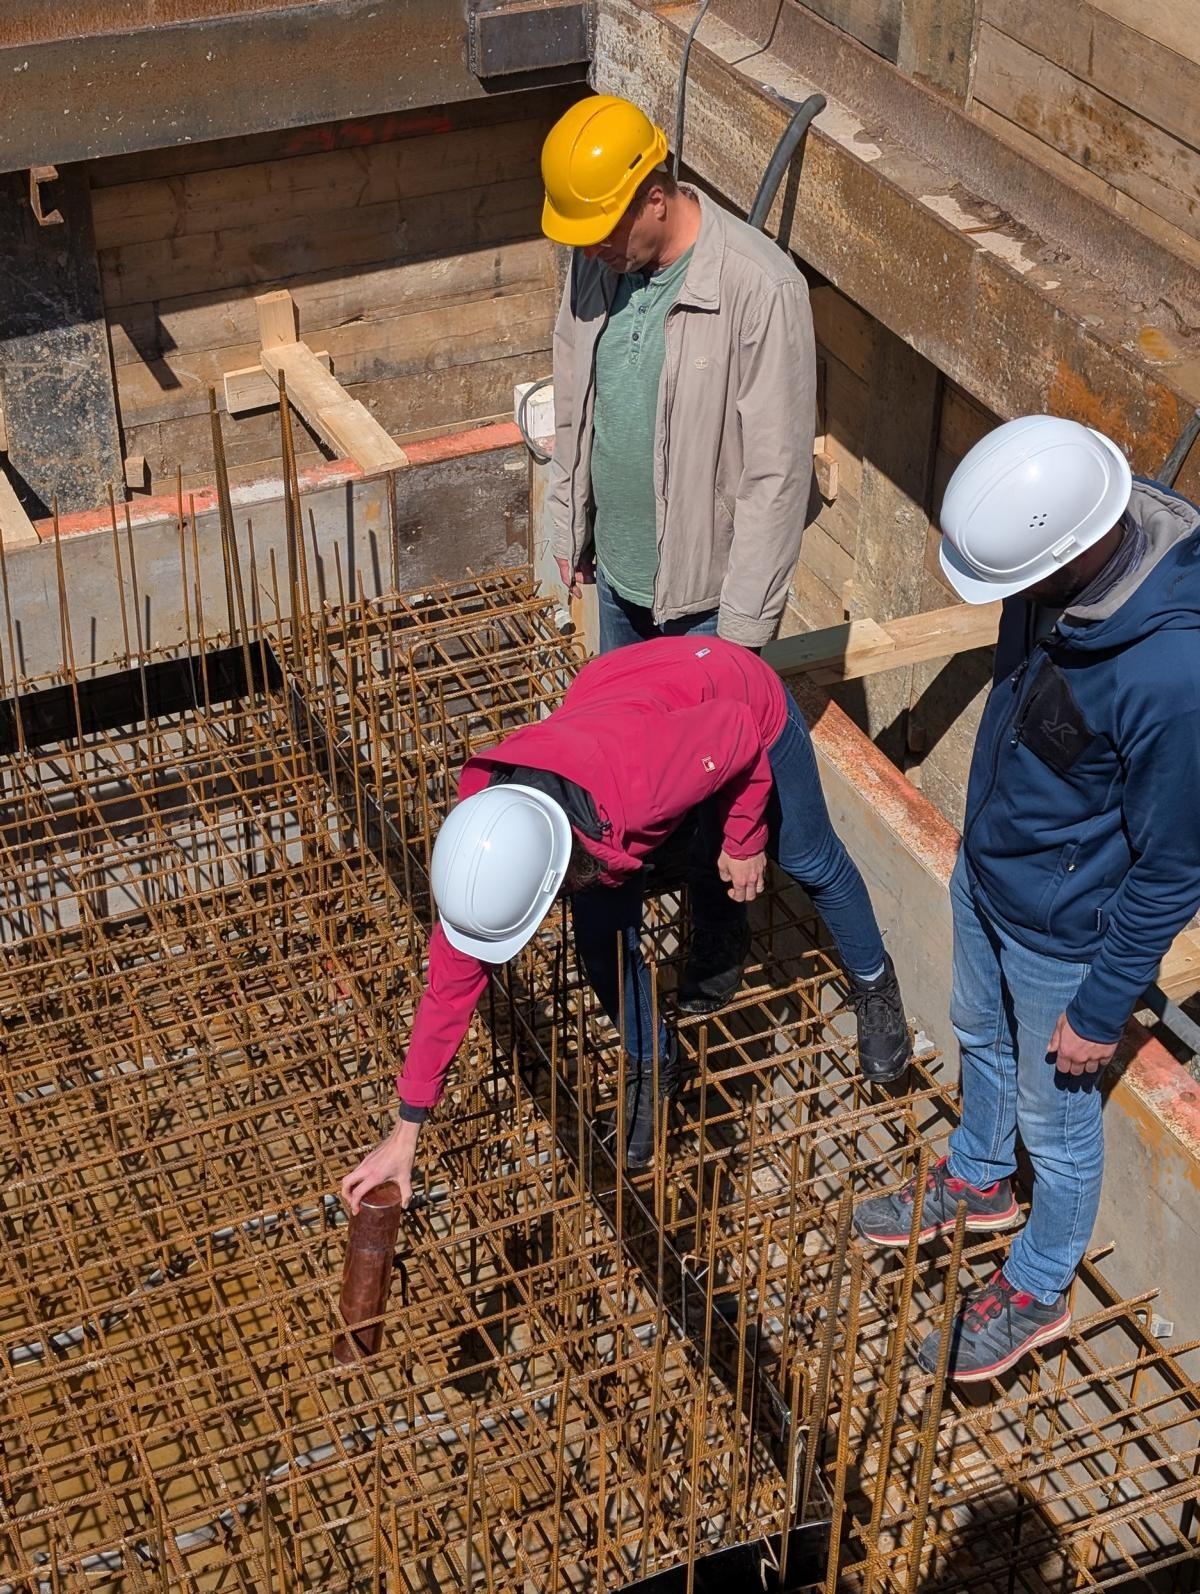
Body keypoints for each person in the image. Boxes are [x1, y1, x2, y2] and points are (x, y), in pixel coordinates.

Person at [854, 414, 1200, 1382]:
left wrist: (1101, 1006)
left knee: (1060, 1115)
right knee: (978, 1030)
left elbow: (1176, 867)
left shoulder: (1174, 677)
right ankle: (978, 1176)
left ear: (1073, 551)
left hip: (1069, 931)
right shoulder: (1055, 562)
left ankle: (1039, 1285)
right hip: (993, 870)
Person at [342, 637, 911, 1212]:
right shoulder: (489, 848)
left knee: (808, 858)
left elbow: (737, 731)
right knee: (601, 944)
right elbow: (449, 988)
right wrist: (405, 1130)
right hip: (623, 700)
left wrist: (744, 839)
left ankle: (874, 981)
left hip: (733, 696)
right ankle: (653, 1058)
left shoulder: (641, 787)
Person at [540, 93, 818, 1017]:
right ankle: (624, 929)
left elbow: (777, 478)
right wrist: (567, 537)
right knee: (625, 774)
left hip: (701, 599)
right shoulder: (594, 261)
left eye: (605, 227)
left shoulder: (759, 287)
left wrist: (740, 641)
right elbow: (577, 408)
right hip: (621, 584)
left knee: (712, 791)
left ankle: (716, 955)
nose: (590, 248)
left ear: (656, 193)